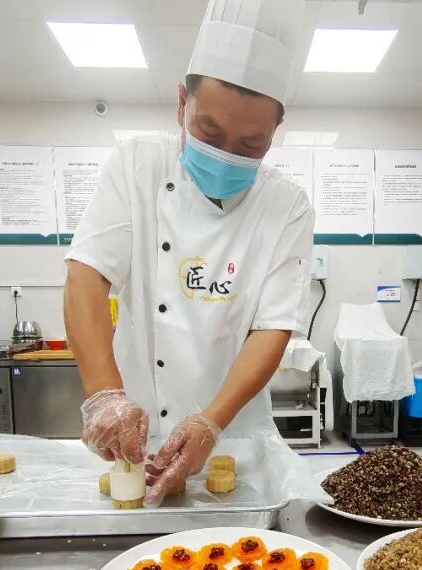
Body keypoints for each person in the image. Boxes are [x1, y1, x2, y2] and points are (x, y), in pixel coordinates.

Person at [64, 0, 311, 505]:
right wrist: (105, 396)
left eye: (251, 145)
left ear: (274, 135)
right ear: (182, 103)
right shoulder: (136, 167)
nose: (226, 155)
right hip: (138, 436)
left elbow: (273, 327)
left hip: (235, 437)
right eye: (209, 133)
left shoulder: (287, 205)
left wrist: (211, 423)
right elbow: (86, 276)